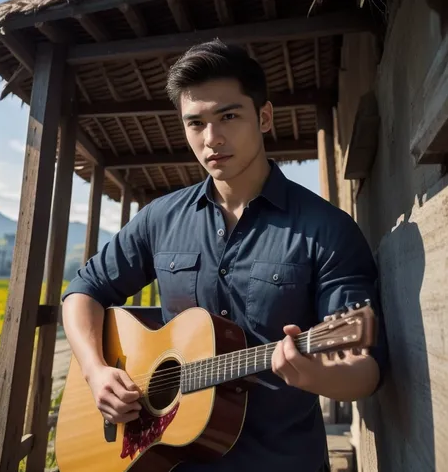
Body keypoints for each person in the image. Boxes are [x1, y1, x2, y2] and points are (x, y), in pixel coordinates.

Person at [61, 38, 387, 472]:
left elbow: (366, 368)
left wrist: (313, 374)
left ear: (264, 117)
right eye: (195, 123)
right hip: (167, 458)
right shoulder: (160, 218)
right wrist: (95, 370)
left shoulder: (328, 231)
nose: (211, 139)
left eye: (228, 116)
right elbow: (83, 290)